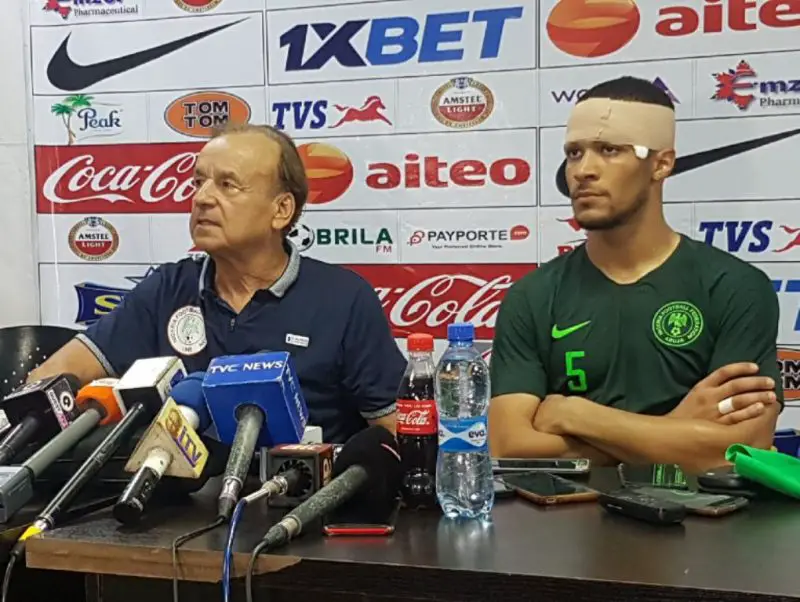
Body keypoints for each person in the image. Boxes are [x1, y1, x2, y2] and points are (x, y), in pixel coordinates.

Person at [28, 123, 405, 443]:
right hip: (174, 497)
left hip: (301, 501)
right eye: (199, 182)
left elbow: (396, 431)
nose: (202, 198)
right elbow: (46, 382)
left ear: (281, 210)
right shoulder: (167, 288)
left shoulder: (344, 299)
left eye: (227, 185)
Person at [488, 76, 782, 472]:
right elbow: (509, 445)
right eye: (574, 153)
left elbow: (742, 448)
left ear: (661, 164)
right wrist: (673, 431)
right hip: (566, 512)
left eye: (609, 150)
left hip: (697, 512)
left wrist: (574, 413)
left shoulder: (735, 287)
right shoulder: (533, 296)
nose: (583, 171)